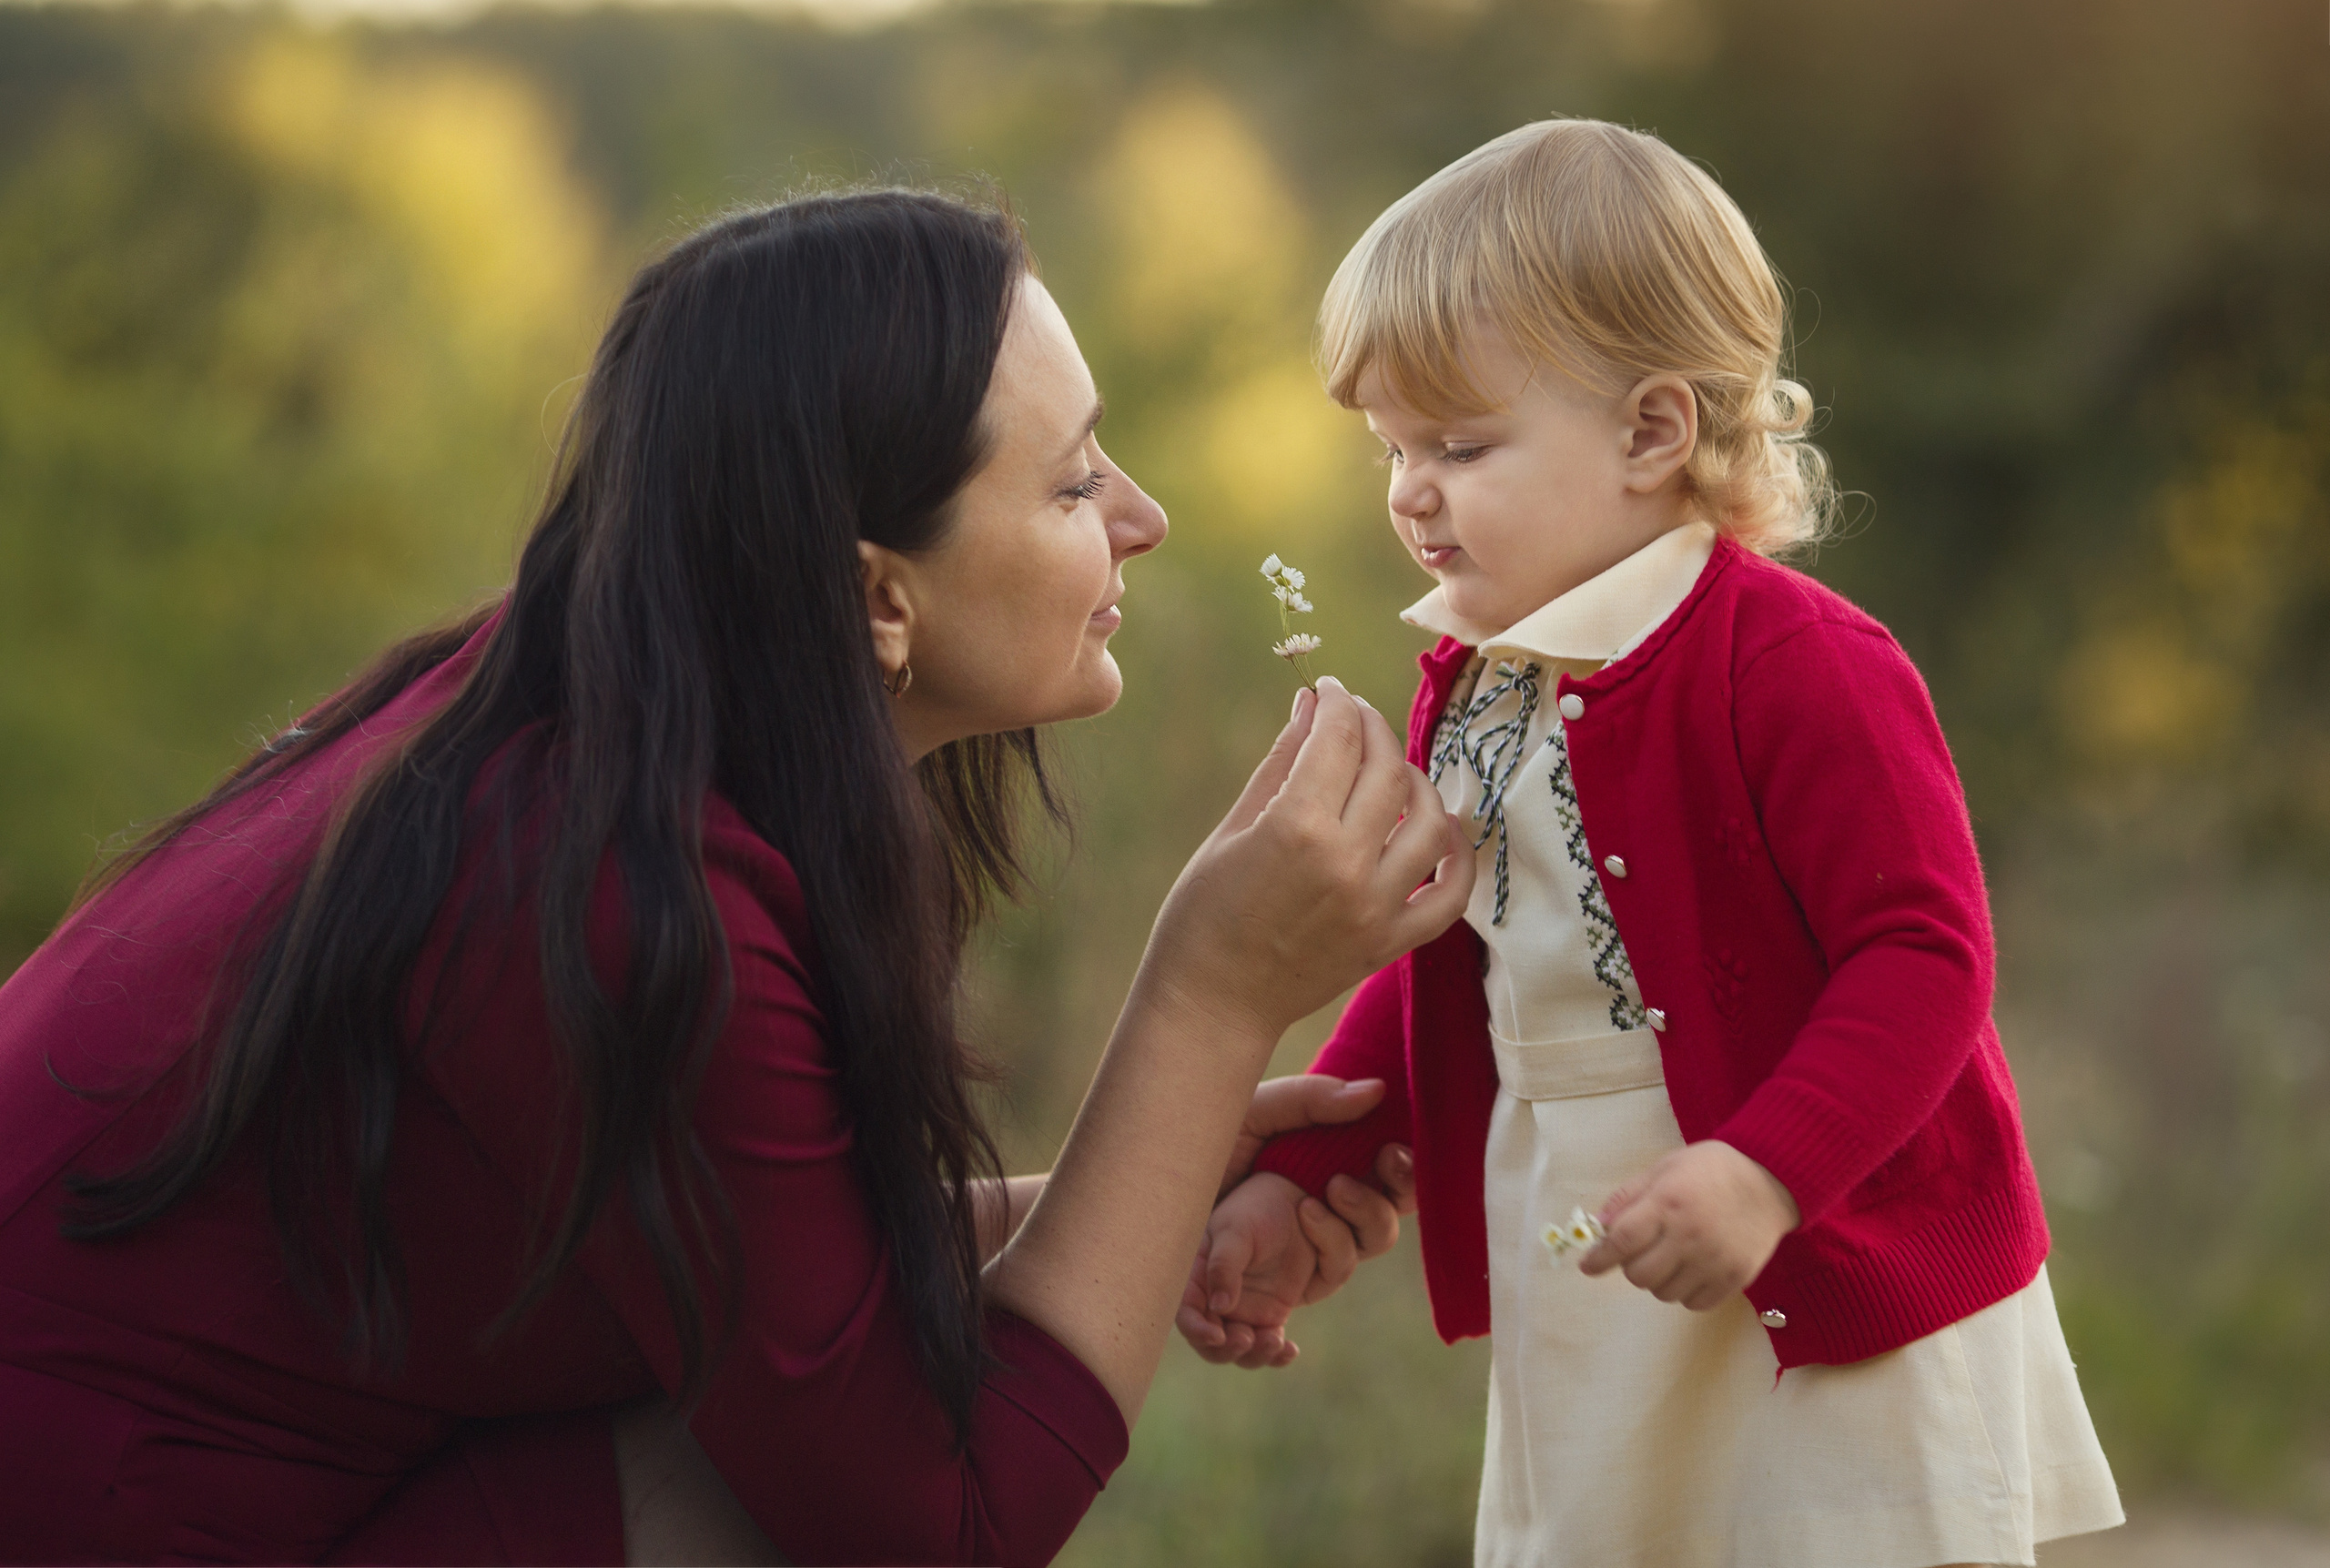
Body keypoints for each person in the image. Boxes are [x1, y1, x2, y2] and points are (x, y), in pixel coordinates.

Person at [0, 188, 1471, 1565]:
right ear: (873, 596)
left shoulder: (595, 720)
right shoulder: (613, 886)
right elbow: (937, 1521)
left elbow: (760, 1261)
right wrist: (1210, 1003)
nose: (1141, 518)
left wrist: (1152, 1180)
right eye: (1076, 481)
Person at [1178, 119, 2127, 1568]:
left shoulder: (1797, 661)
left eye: (1460, 445)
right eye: (1392, 450)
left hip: (1824, 1262)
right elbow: (1465, 969)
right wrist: (1310, 1169)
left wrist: (1765, 1174)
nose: (1410, 492)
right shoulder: (1484, 683)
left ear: (1651, 431)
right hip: (1601, 1263)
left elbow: (1924, 956)